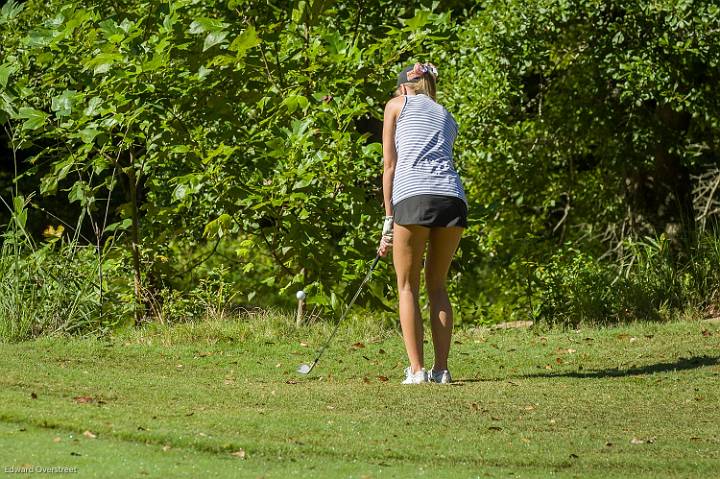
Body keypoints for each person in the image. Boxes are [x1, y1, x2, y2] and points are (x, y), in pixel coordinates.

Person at [377, 62, 467, 384]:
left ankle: (416, 371)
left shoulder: (396, 104)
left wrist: (388, 219)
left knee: (407, 285)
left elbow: (390, 164)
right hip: (452, 198)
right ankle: (441, 370)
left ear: (403, 87)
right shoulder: (446, 115)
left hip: (413, 195)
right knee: (438, 285)